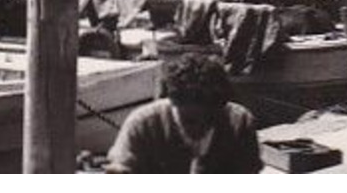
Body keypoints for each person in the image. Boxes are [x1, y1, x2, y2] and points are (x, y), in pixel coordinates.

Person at [105, 53, 262, 174]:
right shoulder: (142, 124)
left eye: (210, 120)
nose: (200, 128)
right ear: (173, 103)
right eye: (190, 121)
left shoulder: (240, 123)